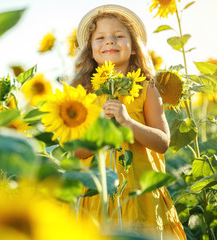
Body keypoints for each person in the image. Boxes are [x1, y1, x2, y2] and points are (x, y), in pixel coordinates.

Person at [70, 4, 186, 240]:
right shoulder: (84, 93)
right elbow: (76, 151)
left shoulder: (146, 88)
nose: (109, 41)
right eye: (100, 37)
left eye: (119, 36)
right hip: (96, 194)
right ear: (91, 51)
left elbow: (162, 142)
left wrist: (127, 123)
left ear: (134, 48)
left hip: (140, 194)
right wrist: (101, 128)